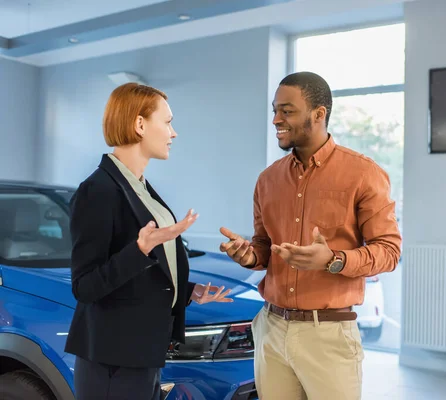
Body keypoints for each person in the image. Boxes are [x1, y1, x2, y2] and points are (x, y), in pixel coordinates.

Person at [219, 71, 402, 399]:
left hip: (329, 335)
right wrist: (249, 254)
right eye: (275, 110)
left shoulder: (364, 174)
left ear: (319, 114)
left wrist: (333, 260)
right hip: (271, 328)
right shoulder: (267, 180)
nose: (276, 119)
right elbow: (264, 246)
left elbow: (389, 251)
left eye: (286, 111)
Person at [65, 83, 233, 400]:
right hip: (112, 360)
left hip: (142, 355)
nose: (174, 133)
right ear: (140, 125)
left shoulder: (139, 187)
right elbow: (85, 286)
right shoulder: (98, 190)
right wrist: (140, 249)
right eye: (167, 122)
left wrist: (186, 291)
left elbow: (143, 275)